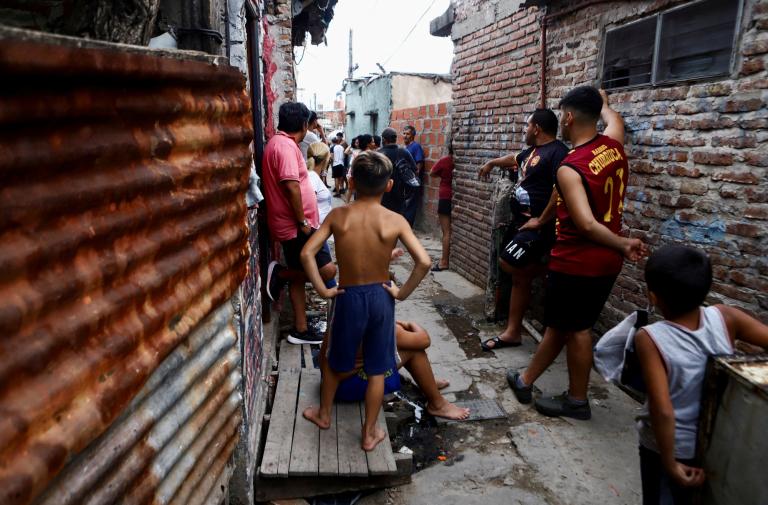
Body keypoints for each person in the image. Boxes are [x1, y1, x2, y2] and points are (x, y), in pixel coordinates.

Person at [507, 87, 647, 420]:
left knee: (578, 328)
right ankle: (525, 380)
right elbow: (614, 121)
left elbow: (584, 223)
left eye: (562, 115)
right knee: (563, 324)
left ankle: (577, 400)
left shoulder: (571, 167)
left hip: (577, 261)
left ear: (568, 118)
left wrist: (623, 243)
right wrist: (606, 105)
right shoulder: (613, 146)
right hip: (605, 263)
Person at [300, 151, 431, 451]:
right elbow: (423, 262)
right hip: (382, 297)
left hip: (348, 297)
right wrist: (401, 292)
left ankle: (323, 415)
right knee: (377, 369)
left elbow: (307, 253)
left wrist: (323, 290)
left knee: (335, 361)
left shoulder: (338, 215)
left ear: (351, 180)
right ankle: (369, 433)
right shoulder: (394, 220)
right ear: (388, 186)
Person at [634, 245, 768, 504]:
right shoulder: (726, 317)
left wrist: (670, 462)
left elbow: (662, 410)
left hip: (668, 447)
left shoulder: (650, 338)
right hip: (715, 440)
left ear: (653, 296)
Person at [478, 109, 569, 350]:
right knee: (515, 272)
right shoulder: (532, 152)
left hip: (538, 227)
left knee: (511, 264)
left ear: (537, 128)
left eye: (527, 126)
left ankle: (554, 271)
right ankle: (513, 332)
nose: (525, 130)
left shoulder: (558, 152)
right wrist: (491, 162)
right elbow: (514, 158)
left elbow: (560, 188)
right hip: (520, 224)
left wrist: (541, 220)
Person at [262, 102, 337, 345]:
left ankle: (300, 330)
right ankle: (281, 273)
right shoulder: (284, 146)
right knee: (326, 270)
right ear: (304, 124)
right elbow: (291, 185)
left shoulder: (282, 143)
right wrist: (302, 220)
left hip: (296, 224)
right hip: (296, 226)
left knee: (300, 276)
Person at [332, 319, 470, 420]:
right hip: (349, 388)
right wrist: (411, 324)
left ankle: (429, 383)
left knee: (398, 344)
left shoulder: (347, 310)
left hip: (334, 383)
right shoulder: (381, 323)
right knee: (414, 350)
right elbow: (424, 340)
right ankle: (437, 404)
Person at [379, 127, 420, 224]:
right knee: (396, 221)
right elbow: (415, 170)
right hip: (399, 194)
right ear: (395, 139)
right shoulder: (403, 152)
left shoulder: (378, 154)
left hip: (381, 193)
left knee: (383, 221)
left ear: (384, 139)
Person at [429, 146, 454, 271]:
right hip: (456, 197)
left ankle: (444, 261)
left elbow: (432, 173)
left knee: (446, 232)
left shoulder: (445, 160)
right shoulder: (458, 162)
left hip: (445, 197)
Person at [402, 125, 425, 226]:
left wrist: (413, 179)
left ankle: (407, 227)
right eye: (404, 133)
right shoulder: (405, 147)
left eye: (408, 134)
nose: (405, 136)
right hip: (405, 181)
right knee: (405, 204)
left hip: (412, 181)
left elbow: (419, 164)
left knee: (410, 205)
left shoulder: (416, 147)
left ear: (413, 136)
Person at [307, 142, 333, 223]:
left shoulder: (313, 176)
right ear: (324, 160)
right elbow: (307, 207)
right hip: (318, 228)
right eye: (329, 158)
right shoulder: (312, 177)